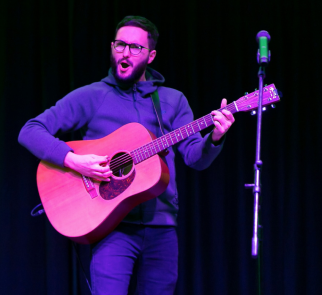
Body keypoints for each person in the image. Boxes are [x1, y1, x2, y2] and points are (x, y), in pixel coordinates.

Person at [18, 15, 235, 295]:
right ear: (112, 47)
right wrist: (74, 160)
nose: (125, 53)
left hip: (162, 229)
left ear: (151, 55)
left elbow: (195, 157)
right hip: (112, 230)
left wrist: (216, 138)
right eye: (120, 45)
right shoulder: (92, 96)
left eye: (135, 48)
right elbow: (30, 130)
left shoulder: (172, 100)